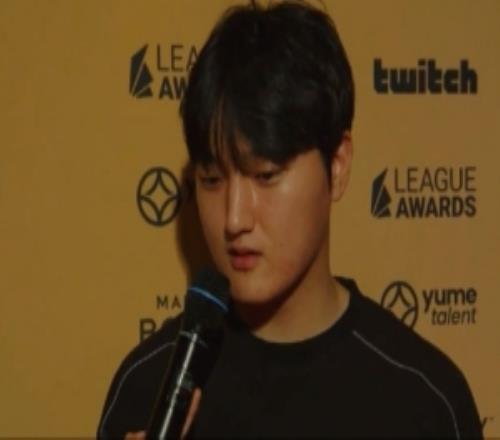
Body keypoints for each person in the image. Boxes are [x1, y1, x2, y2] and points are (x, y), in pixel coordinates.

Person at [97, 1, 482, 438]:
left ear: (337, 166)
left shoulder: (424, 401)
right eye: (211, 179)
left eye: (265, 175)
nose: (234, 219)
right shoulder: (148, 389)